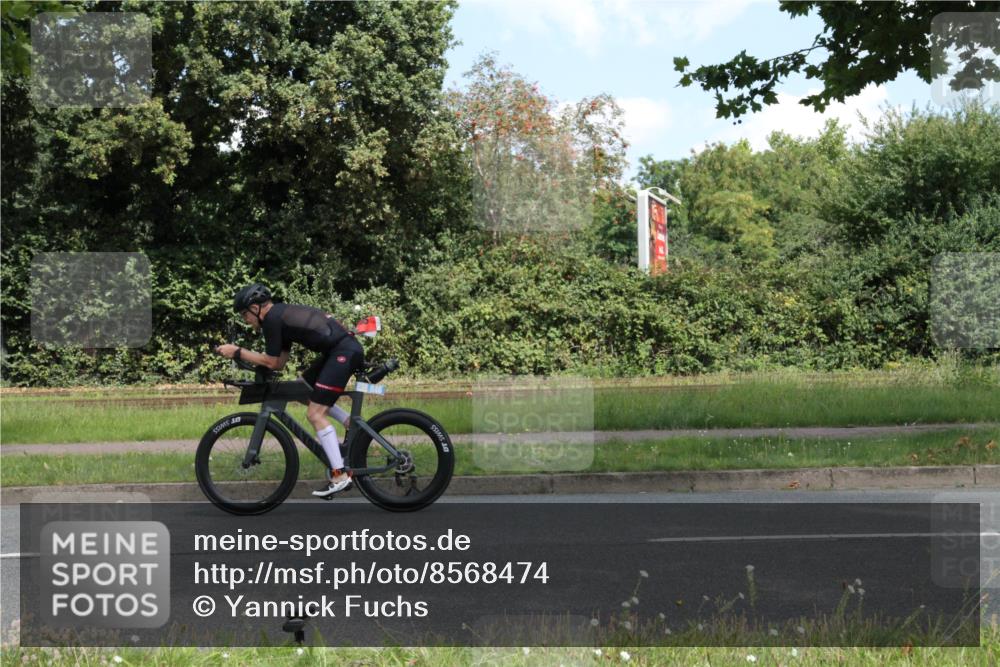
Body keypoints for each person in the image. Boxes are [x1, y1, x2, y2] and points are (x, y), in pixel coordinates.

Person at [215, 284, 363, 497]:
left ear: (256, 308)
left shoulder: (273, 320)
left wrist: (238, 352)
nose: (245, 320)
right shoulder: (279, 317)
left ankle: (339, 475)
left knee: (315, 414)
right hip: (338, 350)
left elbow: (271, 361)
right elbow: (278, 363)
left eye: (245, 314)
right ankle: (349, 422)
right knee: (303, 389)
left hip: (342, 352)